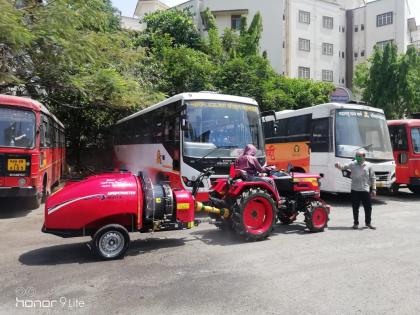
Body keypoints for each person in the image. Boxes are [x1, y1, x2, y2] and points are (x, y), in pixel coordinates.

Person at [335, 150, 377, 230]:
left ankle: (368, 223)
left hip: (365, 189)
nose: (357, 157)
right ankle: (356, 223)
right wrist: (338, 165)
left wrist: (374, 189)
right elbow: (343, 167)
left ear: (363, 157)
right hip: (355, 190)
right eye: (356, 156)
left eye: (359, 156)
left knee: (368, 207)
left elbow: (373, 177)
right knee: (355, 207)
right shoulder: (352, 164)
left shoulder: (369, 166)